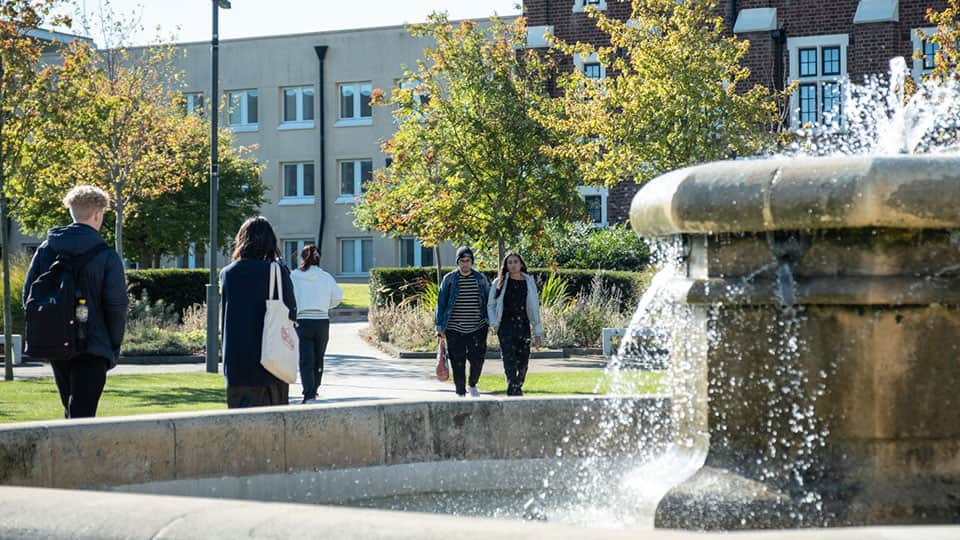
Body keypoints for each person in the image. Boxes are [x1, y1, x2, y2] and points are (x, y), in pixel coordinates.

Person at [23, 185, 127, 418]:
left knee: (70, 412)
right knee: (83, 416)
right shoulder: (106, 255)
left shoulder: (46, 249)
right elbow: (116, 306)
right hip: (93, 345)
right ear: (98, 214)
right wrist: (114, 344)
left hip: (57, 344)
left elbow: (29, 295)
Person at [219, 216, 297, 408]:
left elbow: (225, 319)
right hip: (274, 363)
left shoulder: (228, 274)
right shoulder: (277, 272)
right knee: (276, 429)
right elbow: (292, 313)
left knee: (242, 429)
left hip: (239, 364)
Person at [291, 244, 343, 404]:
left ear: (302, 258)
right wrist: (325, 304)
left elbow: (289, 296)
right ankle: (315, 387)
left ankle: (309, 393)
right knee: (318, 357)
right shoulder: (326, 277)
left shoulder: (294, 276)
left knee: (306, 358)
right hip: (321, 320)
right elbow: (337, 297)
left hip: (302, 319)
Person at [435, 246, 490, 397]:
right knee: (457, 361)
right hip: (454, 328)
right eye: (462, 261)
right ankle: (460, 391)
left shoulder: (480, 279)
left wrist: (491, 321)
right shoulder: (450, 279)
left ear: (472, 262)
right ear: (457, 262)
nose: (465, 264)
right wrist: (439, 326)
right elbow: (441, 303)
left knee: (477, 359)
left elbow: (488, 300)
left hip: (477, 327)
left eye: (468, 261)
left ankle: (472, 383)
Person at [487, 253, 542, 396]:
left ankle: (517, 385)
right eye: (509, 262)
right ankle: (513, 388)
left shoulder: (529, 282)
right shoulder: (498, 282)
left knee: (523, 360)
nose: (512, 265)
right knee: (509, 358)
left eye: (515, 262)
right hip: (505, 325)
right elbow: (491, 305)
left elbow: (534, 307)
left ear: (521, 264)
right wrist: (493, 322)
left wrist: (537, 331)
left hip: (523, 324)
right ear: (505, 265)